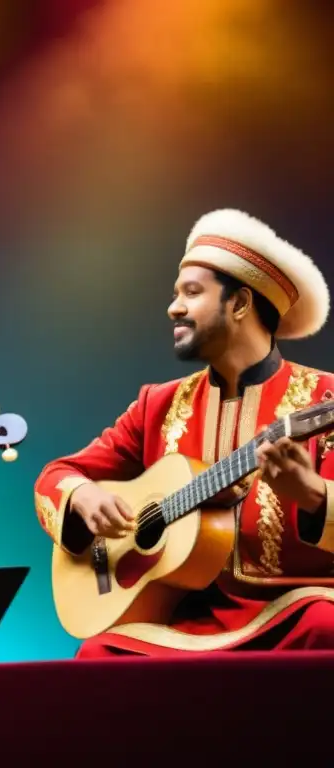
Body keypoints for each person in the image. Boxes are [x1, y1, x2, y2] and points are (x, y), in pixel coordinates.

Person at [35, 208, 334, 656]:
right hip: (181, 621)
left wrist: (313, 495)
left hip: (287, 615)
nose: (174, 307)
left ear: (240, 303)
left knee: (326, 627)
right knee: (97, 655)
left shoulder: (322, 396)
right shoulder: (158, 404)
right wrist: (83, 497)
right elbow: (57, 475)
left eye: (192, 293)